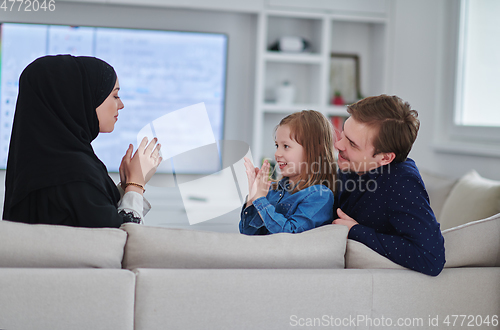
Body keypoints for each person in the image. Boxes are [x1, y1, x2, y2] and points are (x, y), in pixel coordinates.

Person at [3, 54, 162, 228]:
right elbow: (123, 242)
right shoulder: (74, 172)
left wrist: (124, 189)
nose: (121, 104)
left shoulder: (39, 164)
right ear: (80, 98)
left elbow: (86, 219)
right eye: (115, 96)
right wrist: (136, 185)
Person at [332, 94, 445, 276]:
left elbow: (430, 258)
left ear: (385, 158)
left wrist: (355, 231)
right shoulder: (354, 166)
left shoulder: (401, 183)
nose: (337, 144)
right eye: (343, 134)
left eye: (352, 144)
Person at [240, 110, 336, 235]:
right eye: (277, 145)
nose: (277, 154)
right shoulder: (272, 191)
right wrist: (253, 198)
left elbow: (290, 235)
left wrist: (260, 200)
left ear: (312, 151)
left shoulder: (319, 196)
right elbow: (248, 234)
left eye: (285, 146)